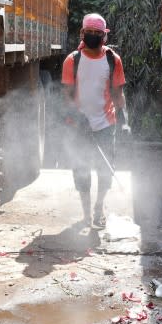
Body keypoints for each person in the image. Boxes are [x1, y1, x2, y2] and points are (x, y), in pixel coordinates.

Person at [62, 13, 126, 228]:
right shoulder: (73, 60)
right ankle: (86, 214)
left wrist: (124, 120)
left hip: (106, 124)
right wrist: (77, 116)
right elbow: (68, 94)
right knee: (81, 170)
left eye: (97, 33)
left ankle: (99, 208)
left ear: (104, 36)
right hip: (78, 126)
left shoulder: (112, 60)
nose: (93, 37)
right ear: (82, 33)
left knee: (105, 169)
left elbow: (118, 93)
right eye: (89, 33)